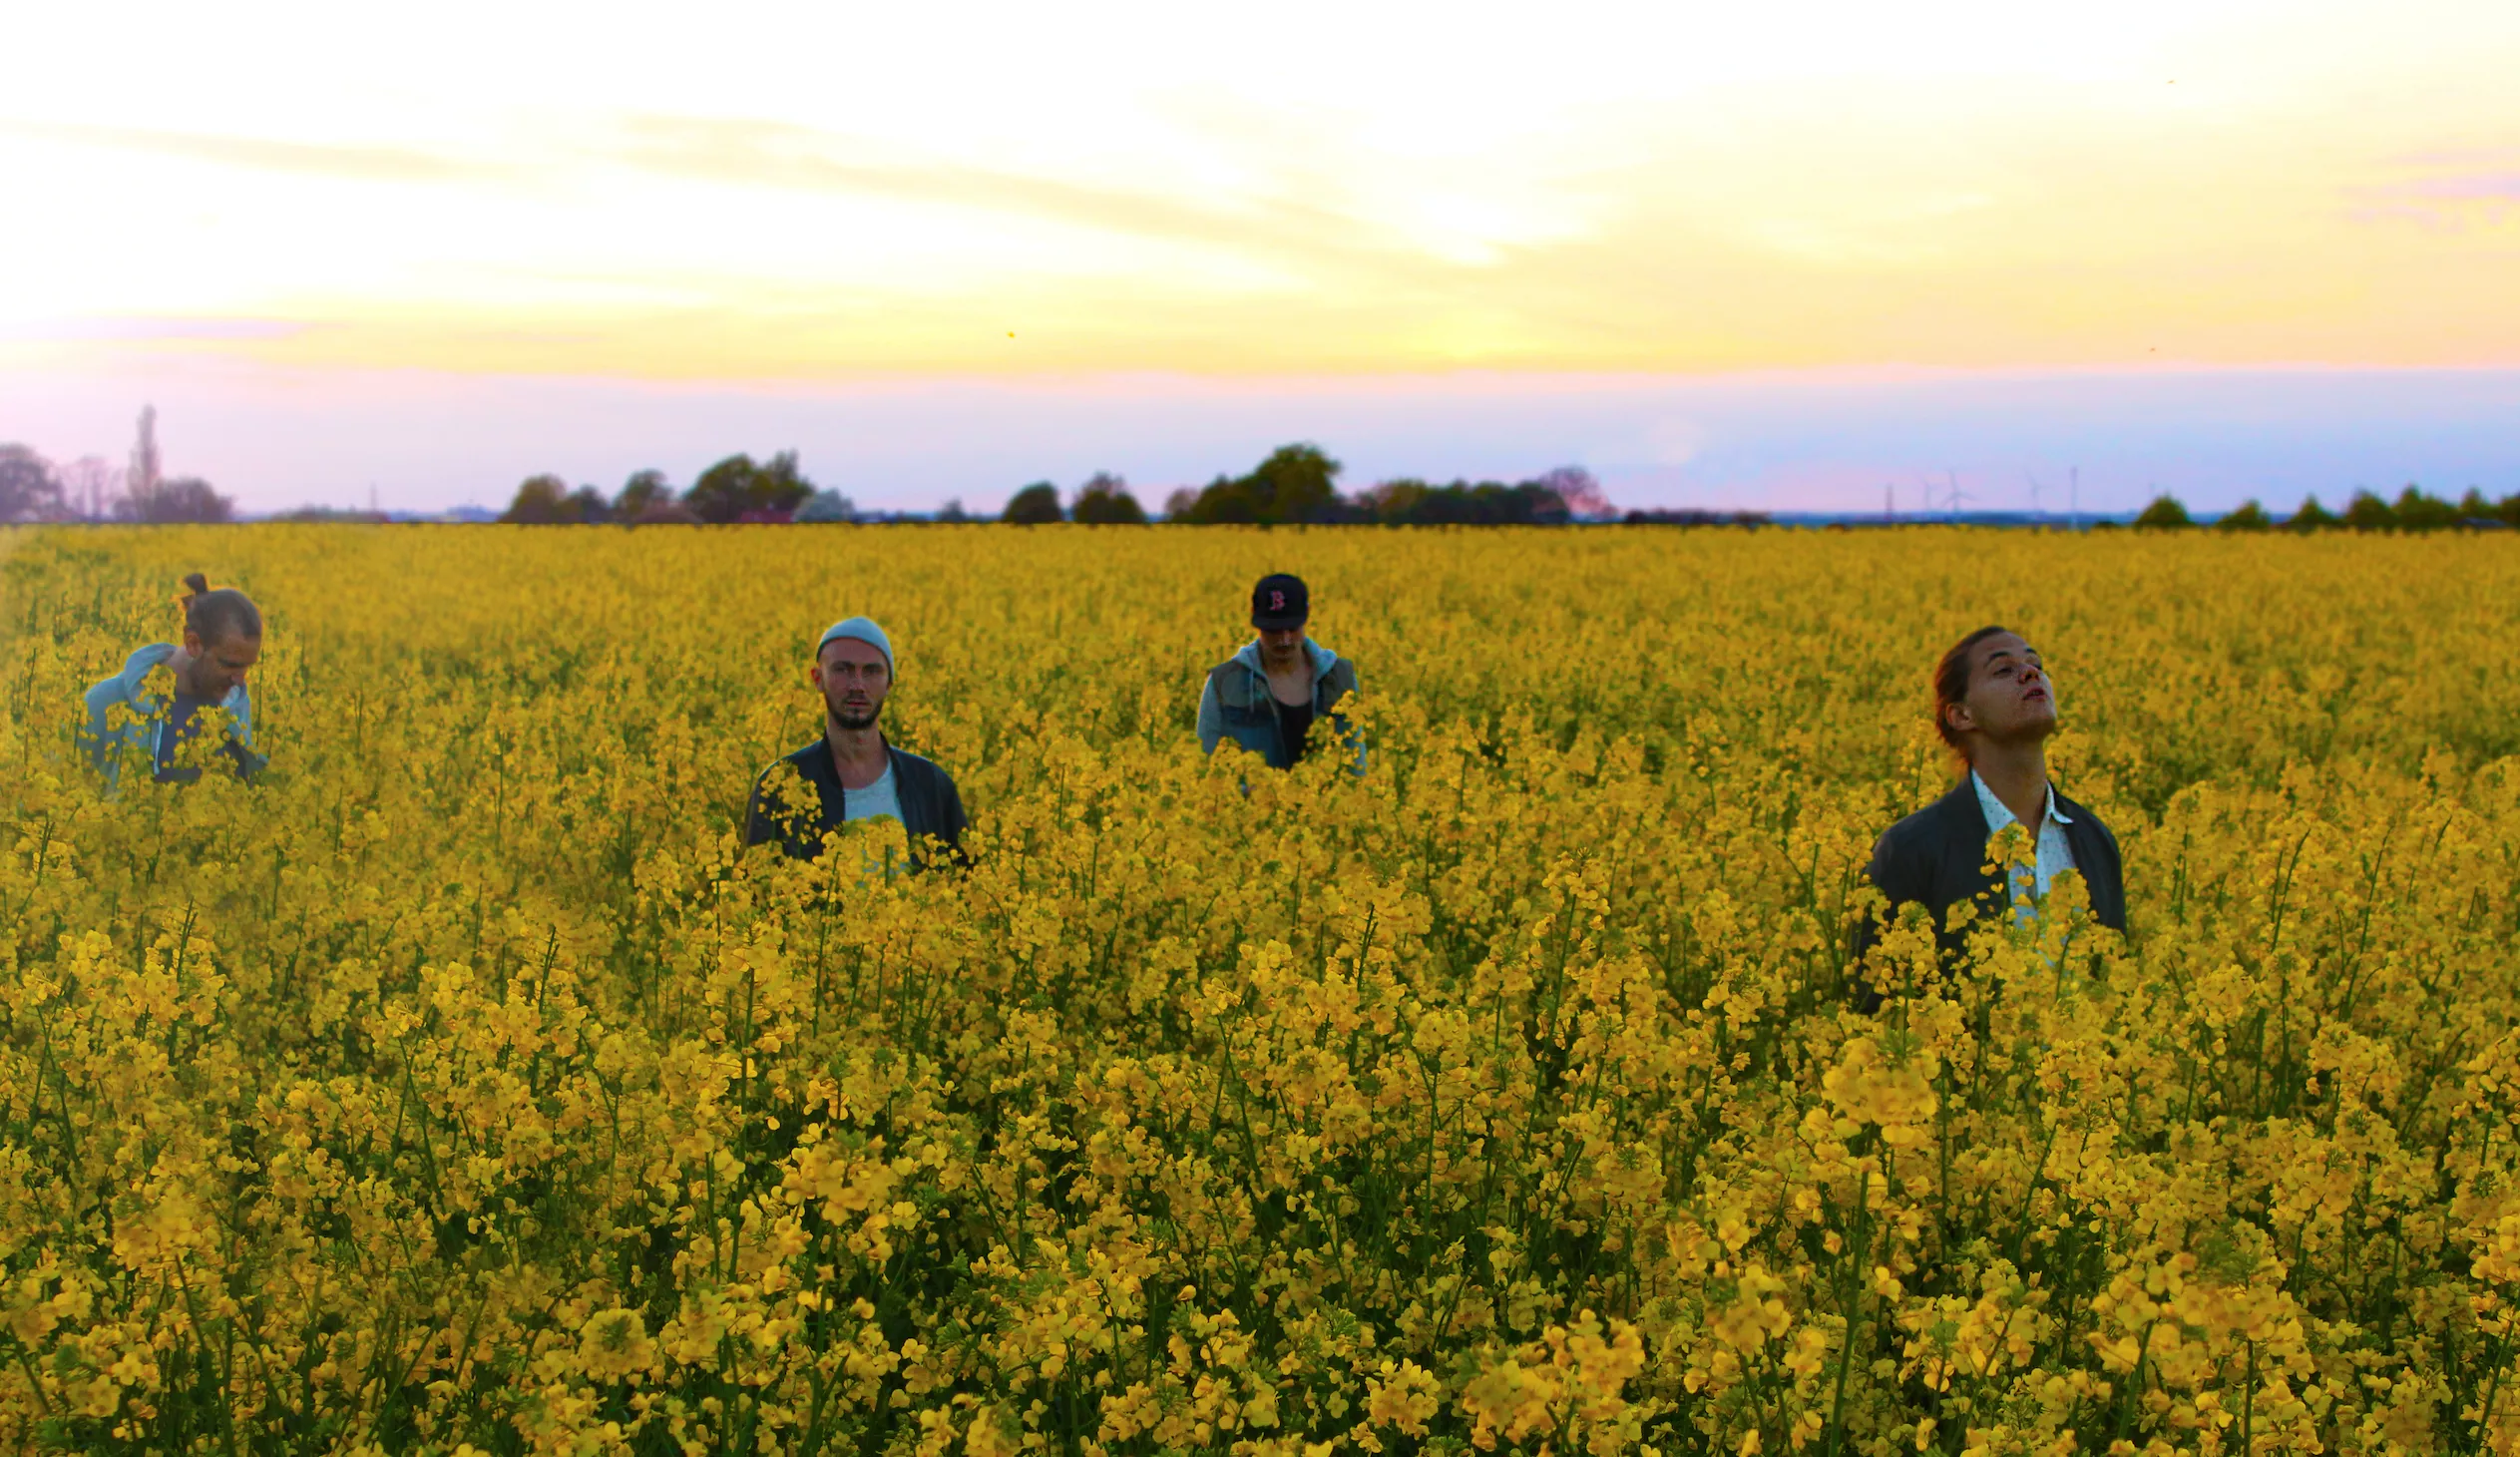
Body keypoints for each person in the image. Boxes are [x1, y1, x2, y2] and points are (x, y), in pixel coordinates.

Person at [1854, 626, 2125, 994]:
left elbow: (2114, 983)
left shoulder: (2096, 839)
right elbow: (1877, 1002)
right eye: (2003, 670)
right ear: (1961, 715)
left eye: (2037, 665)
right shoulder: (1910, 849)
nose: (2030, 673)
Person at [744, 616, 969, 865]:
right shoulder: (780, 785)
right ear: (818, 679)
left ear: (889, 683)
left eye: (872, 671)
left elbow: (963, 879)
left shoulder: (931, 784)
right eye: (843, 669)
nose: (858, 685)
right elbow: (757, 882)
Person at [83, 573, 266, 787]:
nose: (239, 680)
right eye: (229, 664)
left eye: (247, 666)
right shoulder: (106, 700)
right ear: (193, 644)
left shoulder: (234, 704)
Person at [1196, 573, 1362, 772]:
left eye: (1292, 628)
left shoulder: (1339, 675)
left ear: (1308, 613)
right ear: (1254, 617)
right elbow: (1204, 765)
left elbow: (1356, 763)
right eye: (1273, 630)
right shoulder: (1223, 682)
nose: (1284, 639)